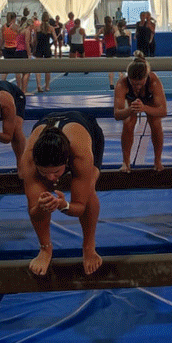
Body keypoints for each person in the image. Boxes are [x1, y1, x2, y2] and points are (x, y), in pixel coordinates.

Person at [19, 110, 105, 276]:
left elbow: (80, 207)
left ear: (66, 162)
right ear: (36, 164)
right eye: (44, 173)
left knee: (90, 190)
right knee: (40, 199)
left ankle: (89, 247)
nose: (51, 178)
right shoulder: (28, 161)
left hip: (87, 128)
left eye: (56, 172)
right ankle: (45, 249)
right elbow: (33, 210)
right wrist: (41, 206)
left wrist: (63, 205)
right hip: (46, 123)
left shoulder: (80, 155)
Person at [114, 52, 167, 172]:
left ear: (146, 77)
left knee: (155, 122)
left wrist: (145, 108)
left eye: (140, 83)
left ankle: (157, 161)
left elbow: (163, 111)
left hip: (148, 100)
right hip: (131, 101)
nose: (137, 87)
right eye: (134, 84)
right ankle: (126, 162)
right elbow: (117, 114)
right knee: (128, 123)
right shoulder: (122, 84)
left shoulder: (153, 82)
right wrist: (129, 110)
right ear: (129, 79)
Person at [33, 12, 55, 92]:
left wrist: (34, 48)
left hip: (39, 48)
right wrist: (53, 44)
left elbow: (34, 40)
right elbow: (55, 39)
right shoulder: (51, 28)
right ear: (48, 19)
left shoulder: (37, 28)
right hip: (47, 48)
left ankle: (39, 85)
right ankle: (47, 86)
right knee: (47, 69)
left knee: (38, 68)